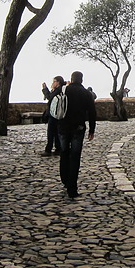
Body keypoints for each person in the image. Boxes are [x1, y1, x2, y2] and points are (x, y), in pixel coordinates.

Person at [57, 71, 97, 199]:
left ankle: (64, 179)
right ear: (82, 80)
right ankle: (72, 188)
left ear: (71, 79)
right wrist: (92, 129)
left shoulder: (64, 90)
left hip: (63, 126)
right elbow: (92, 112)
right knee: (75, 157)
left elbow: (53, 103)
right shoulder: (86, 93)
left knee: (64, 153)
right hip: (78, 128)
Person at [41, 76, 65, 157]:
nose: (53, 83)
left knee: (51, 132)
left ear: (58, 82)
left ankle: (49, 149)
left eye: (54, 81)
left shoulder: (58, 90)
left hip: (54, 114)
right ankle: (58, 148)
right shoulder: (61, 90)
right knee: (56, 132)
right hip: (58, 114)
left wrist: (45, 89)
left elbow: (50, 97)